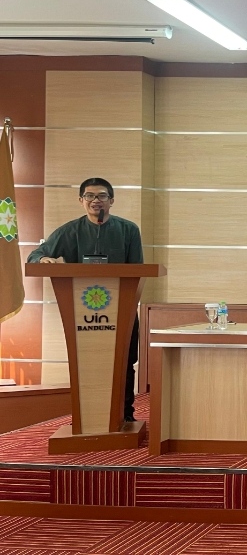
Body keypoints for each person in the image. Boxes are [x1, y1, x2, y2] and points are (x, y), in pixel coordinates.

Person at [27, 178, 143, 421]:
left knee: (124, 361)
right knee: (87, 363)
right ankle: (88, 417)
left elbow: (137, 271)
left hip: (122, 309)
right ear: (81, 200)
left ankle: (125, 413)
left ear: (111, 200)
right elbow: (36, 255)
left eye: (101, 196)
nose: (95, 201)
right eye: (89, 196)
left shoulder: (128, 230)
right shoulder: (70, 231)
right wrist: (43, 259)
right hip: (84, 313)